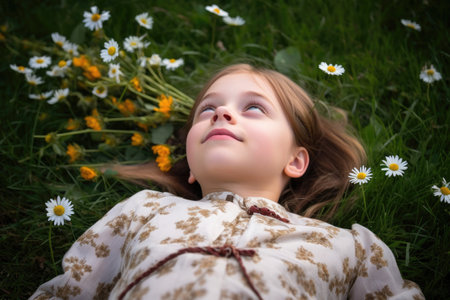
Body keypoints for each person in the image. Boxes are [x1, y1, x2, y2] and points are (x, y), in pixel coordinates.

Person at [30, 64, 424, 299]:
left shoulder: (348, 246)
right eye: (208, 109)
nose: (221, 113)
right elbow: (70, 289)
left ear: (296, 160)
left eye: (253, 107)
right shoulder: (144, 208)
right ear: (191, 168)